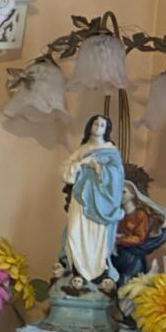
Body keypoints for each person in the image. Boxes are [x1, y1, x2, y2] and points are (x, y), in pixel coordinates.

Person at [59, 113, 129, 293]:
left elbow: (118, 175)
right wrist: (81, 163)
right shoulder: (83, 148)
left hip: (101, 201)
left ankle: (97, 271)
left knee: (96, 236)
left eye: (102, 125)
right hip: (81, 198)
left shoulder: (111, 150)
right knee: (74, 231)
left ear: (107, 130)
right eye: (95, 123)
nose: (98, 127)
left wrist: (97, 167)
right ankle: (78, 270)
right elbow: (66, 171)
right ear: (89, 125)